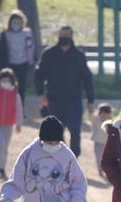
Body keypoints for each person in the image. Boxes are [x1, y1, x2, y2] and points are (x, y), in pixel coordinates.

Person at [35, 25, 94, 157]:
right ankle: (60, 158)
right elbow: (39, 75)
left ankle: (73, 158)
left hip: (74, 100)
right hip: (54, 100)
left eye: (67, 35)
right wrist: (40, 94)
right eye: (62, 35)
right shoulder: (49, 54)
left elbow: (87, 78)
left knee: (75, 131)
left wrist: (91, 100)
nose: (64, 37)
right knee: (56, 132)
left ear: (71, 36)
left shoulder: (79, 56)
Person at [0, 9, 36, 107]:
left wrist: (32, 60)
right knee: (9, 86)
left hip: (23, 63)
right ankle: (8, 106)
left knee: (21, 87)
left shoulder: (27, 34)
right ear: (10, 22)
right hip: (10, 64)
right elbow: (2, 51)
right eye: (14, 22)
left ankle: (20, 107)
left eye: (18, 22)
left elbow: (31, 47)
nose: (16, 24)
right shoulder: (5, 34)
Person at [91, 103, 113, 178]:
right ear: (99, 114)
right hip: (98, 142)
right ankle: (100, 170)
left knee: (107, 157)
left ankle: (106, 170)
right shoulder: (96, 119)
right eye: (102, 114)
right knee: (99, 157)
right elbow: (91, 116)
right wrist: (90, 109)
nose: (104, 116)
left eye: (106, 114)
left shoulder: (111, 122)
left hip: (108, 143)